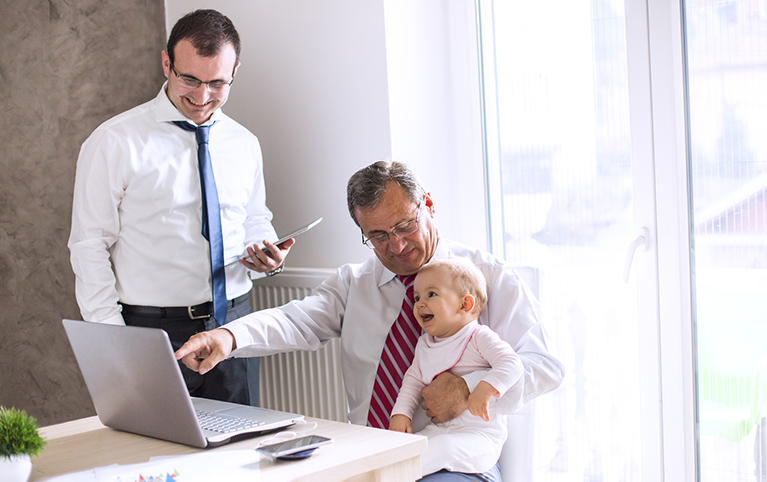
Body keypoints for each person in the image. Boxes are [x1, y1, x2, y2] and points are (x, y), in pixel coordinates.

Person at [175, 160, 565, 481]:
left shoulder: (486, 276)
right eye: (377, 235)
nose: (396, 246)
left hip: (455, 461)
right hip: (369, 457)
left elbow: (546, 366)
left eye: (405, 226)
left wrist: (468, 387)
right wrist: (229, 336)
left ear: (428, 204)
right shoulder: (354, 283)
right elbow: (296, 319)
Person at [68, 9, 292, 407]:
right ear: (166, 62)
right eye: (189, 79)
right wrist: (117, 343)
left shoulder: (244, 143)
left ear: (235, 71)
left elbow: (255, 219)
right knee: (157, 461)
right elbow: (89, 247)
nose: (202, 97)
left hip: (233, 327)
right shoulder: (114, 142)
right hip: (149, 332)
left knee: (239, 461)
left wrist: (268, 255)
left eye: (217, 83)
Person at [389, 258, 523, 477]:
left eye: (431, 294)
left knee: (438, 450)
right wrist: (401, 413)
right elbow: (412, 380)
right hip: (440, 430)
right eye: (417, 297)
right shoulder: (425, 344)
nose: (420, 303)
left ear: (465, 305)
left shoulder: (478, 336)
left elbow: (511, 363)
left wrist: (484, 388)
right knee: (409, 450)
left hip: (479, 438)